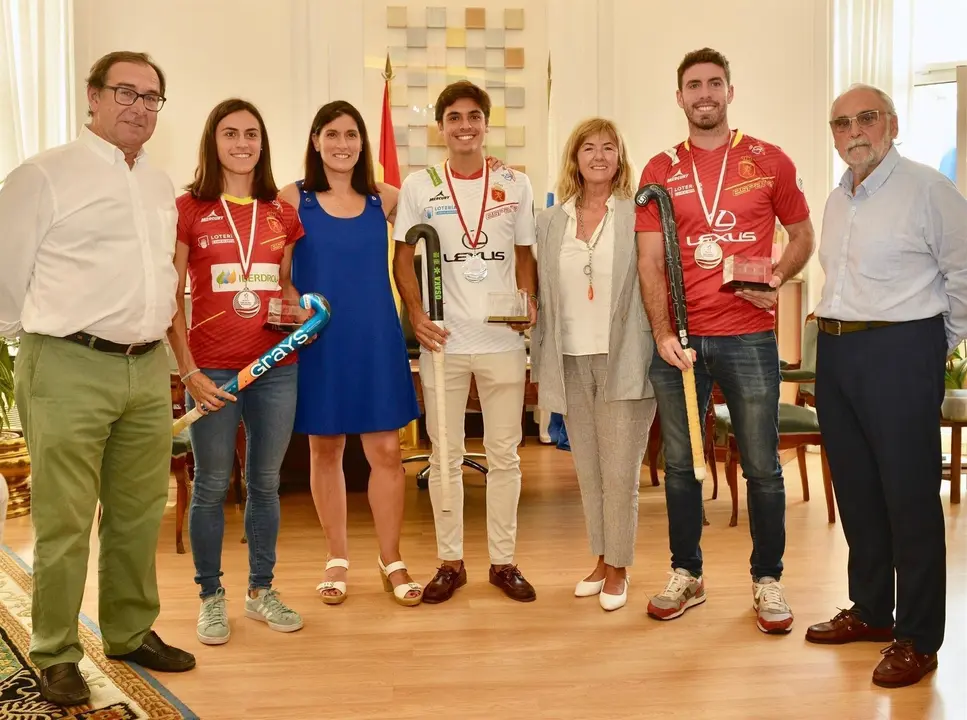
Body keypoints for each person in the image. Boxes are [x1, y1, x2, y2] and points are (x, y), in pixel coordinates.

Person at [0, 50, 195, 706]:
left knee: (140, 511)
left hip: (146, 367)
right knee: (64, 518)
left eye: (151, 97)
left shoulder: (159, 183)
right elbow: (6, 273)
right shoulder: (43, 175)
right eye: (126, 93)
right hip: (67, 364)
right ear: (94, 96)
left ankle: (130, 630)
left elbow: (163, 276)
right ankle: (54, 653)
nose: (139, 107)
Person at [635, 47, 815, 632]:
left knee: (762, 466)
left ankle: (768, 580)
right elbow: (650, 262)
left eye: (715, 83)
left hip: (748, 339)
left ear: (730, 92)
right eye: (693, 85)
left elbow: (803, 234)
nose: (704, 93)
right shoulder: (659, 170)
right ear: (680, 96)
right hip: (681, 345)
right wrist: (662, 331)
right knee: (682, 466)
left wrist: (781, 277)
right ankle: (687, 574)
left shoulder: (769, 160)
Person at [805, 83, 967, 688]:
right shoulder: (837, 198)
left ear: (892, 124)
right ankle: (873, 611)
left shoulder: (927, 188)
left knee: (909, 497)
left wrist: (932, 345)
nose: (854, 131)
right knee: (858, 491)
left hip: (902, 349)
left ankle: (918, 638)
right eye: (841, 122)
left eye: (866, 118)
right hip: (839, 351)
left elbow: (964, 272)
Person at [392, 80, 539, 604]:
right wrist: (415, 313)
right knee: (446, 455)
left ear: (485, 123)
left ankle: (504, 562)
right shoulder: (419, 185)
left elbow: (524, 254)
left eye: (474, 116)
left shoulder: (515, 183)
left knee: (506, 456)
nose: (465, 126)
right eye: (454, 117)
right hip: (443, 344)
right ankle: (450, 562)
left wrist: (529, 302)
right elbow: (402, 259)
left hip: (502, 342)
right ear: (441, 127)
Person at [168, 98, 306, 644]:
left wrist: (298, 310)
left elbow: (283, 285)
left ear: (262, 143)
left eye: (252, 133)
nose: (242, 143)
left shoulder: (281, 213)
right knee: (209, 485)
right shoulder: (188, 209)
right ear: (213, 141)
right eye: (231, 133)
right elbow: (170, 296)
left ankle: (260, 591)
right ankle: (210, 598)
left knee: (266, 484)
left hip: (275, 366)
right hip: (213, 371)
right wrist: (188, 371)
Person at [278, 100, 424, 607]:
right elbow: (280, 275)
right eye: (332, 134)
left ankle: (392, 558)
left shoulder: (385, 198)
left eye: (351, 134)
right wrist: (295, 307)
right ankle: (337, 557)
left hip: (374, 336)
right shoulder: (293, 198)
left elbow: (426, 243)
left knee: (386, 450)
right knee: (326, 448)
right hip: (321, 339)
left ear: (363, 143)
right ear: (316, 140)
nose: (342, 144)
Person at [532, 118, 657, 611]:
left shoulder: (637, 215)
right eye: (589, 147)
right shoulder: (550, 221)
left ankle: (620, 568)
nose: (599, 156)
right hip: (568, 357)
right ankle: (601, 558)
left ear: (620, 158)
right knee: (587, 468)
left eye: (609, 148)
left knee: (620, 469)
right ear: (575, 157)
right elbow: (541, 289)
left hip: (625, 356)